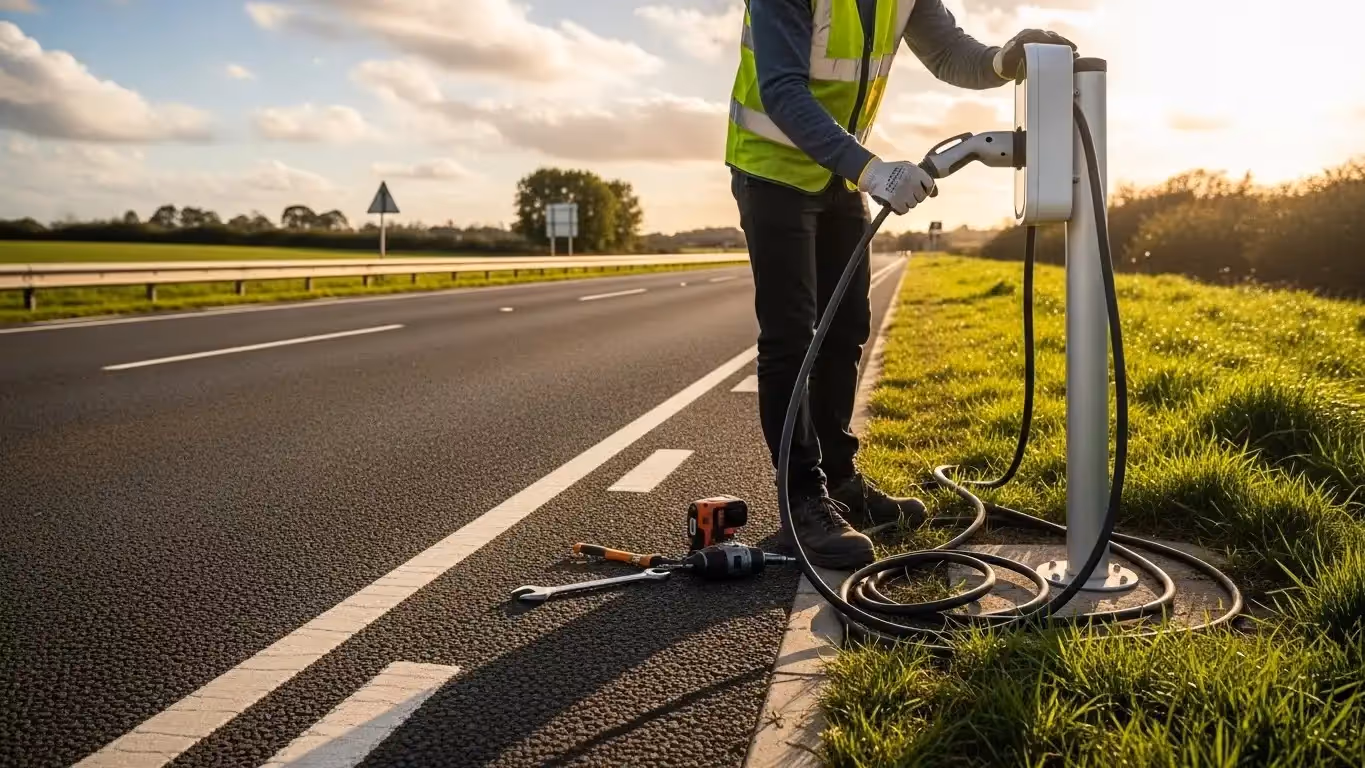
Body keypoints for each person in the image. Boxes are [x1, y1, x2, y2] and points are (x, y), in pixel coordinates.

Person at [726, 0, 1074, 569]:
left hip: (838, 173)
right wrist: (872, 169)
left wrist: (1003, 60)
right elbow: (782, 90)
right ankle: (801, 503)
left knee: (845, 331)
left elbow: (948, 52)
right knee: (793, 338)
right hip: (772, 170)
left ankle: (841, 482)